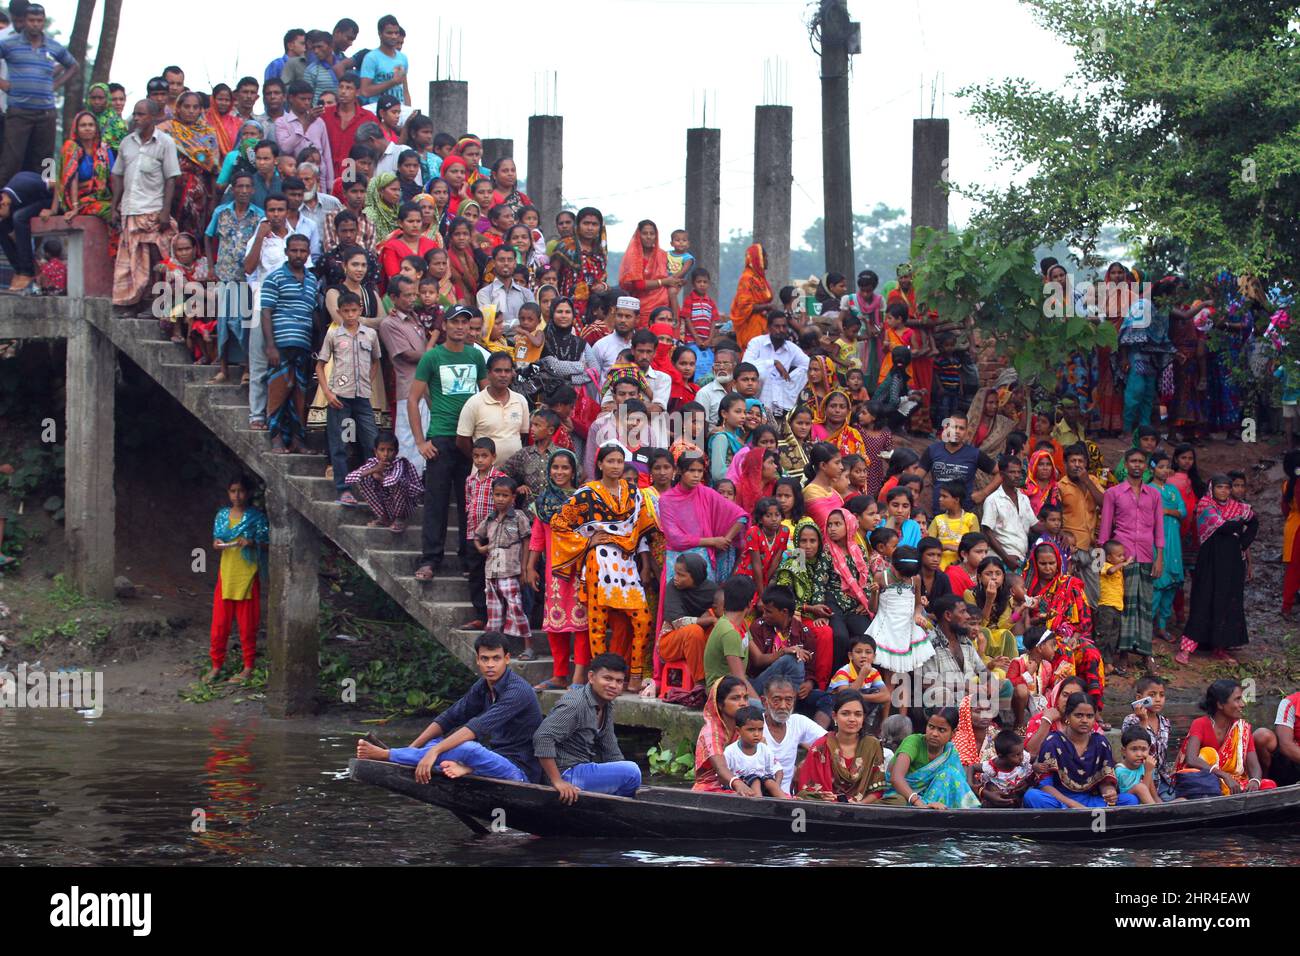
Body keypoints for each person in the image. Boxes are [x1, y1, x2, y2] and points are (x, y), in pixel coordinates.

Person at [355, 632, 543, 783]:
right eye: (485, 659)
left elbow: (476, 727)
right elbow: (450, 717)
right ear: (477, 660)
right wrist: (413, 748)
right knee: (434, 741)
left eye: (496, 658)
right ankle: (448, 763)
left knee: (468, 748)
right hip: (493, 759)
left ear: (507, 659)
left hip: (519, 771)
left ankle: (387, 755)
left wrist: (432, 753)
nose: (490, 665)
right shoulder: (483, 685)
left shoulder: (518, 691)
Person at [550, 443, 658, 690]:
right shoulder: (587, 492)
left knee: (642, 619)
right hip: (598, 561)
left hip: (626, 562)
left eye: (620, 461)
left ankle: (634, 676)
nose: (616, 466)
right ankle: (601, 678)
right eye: (610, 461)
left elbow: (643, 527)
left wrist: (645, 562)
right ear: (599, 464)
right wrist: (587, 540)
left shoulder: (633, 492)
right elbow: (560, 523)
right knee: (598, 623)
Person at [410, 305, 487, 580]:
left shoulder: (476, 356)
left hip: (469, 440)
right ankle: (430, 559)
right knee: (436, 502)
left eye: (465, 322)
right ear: (445, 325)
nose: (460, 327)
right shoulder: (432, 357)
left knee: (470, 502)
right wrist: (420, 441)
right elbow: (412, 399)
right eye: (455, 322)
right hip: (441, 436)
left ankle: (468, 560)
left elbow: (485, 394)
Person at [533, 653, 643, 800]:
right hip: (566, 773)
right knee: (631, 771)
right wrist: (558, 781)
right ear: (591, 677)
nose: (613, 686)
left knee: (628, 772)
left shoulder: (606, 705)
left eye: (619, 681)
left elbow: (610, 749)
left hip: (583, 768)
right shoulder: (575, 704)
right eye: (607, 678)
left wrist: (624, 775)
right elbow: (542, 737)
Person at [1177, 475, 1257, 665]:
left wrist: (1243, 542)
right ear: (1212, 488)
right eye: (1220, 487)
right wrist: (1237, 526)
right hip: (1210, 561)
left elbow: (1253, 522)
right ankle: (1186, 649)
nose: (1224, 491)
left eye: (1227, 488)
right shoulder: (1205, 505)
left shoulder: (1239, 507)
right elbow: (1222, 527)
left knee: (1227, 601)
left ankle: (1219, 648)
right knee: (1203, 599)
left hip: (1232, 562)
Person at [526, 448, 589, 690]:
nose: (559, 472)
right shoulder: (542, 503)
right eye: (555, 467)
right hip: (553, 570)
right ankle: (559, 674)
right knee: (555, 622)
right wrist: (531, 567)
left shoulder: (583, 500)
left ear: (573, 471)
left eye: (565, 468)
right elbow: (537, 538)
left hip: (579, 568)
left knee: (581, 623)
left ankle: (580, 676)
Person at [110, 100, 180, 308]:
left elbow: (171, 178)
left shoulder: (165, 142)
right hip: (130, 209)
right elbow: (117, 175)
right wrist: (115, 206)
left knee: (157, 262)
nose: (137, 118)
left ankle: (157, 305)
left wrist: (165, 211)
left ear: (153, 117)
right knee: (132, 264)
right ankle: (133, 304)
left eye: (141, 114)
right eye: (135, 114)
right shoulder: (126, 142)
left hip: (153, 210)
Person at [0, 4, 77, 189]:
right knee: (11, 160)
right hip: (19, 111)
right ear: (25, 22)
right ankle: (4, 205)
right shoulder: (10, 44)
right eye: (32, 20)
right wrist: (5, 85)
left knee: (45, 161)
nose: (35, 24)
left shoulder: (52, 45)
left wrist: (56, 85)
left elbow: (73, 65)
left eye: (39, 21)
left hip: (46, 113)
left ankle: (44, 201)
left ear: (43, 22)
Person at [316, 290, 381, 503]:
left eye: (354, 310)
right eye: (346, 311)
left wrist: (367, 382)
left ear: (360, 310)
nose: (351, 315)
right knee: (341, 443)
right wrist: (327, 392)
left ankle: (375, 487)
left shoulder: (370, 334)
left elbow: (375, 361)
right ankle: (344, 489)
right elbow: (320, 365)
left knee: (371, 440)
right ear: (339, 312)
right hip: (339, 398)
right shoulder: (333, 334)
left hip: (362, 396)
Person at [1022, 692, 1139, 809]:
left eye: (1089, 716)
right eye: (1078, 715)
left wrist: (1109, 792)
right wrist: (1073, 805)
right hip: (1061, 801)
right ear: (1067, 716)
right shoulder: (1053, 741)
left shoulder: (1100, 743)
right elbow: (1045, 786)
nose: (1084, 720)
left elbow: (1105, 781)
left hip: (1090, 801)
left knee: (1130, 800)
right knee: (1032, 796)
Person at [206, 474, 269, 684]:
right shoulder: (222, 515)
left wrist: (252, 542)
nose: (237, 496)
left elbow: (266, 542)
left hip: (248, 574)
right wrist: (217, 543)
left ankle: (248, 667)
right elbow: (218, 538)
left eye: (241, 491)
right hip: (227, 574)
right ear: (228, 493)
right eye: (233, 491)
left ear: (248, 493)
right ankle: (216, 666)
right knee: (219, 624)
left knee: (247, 625)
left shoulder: (256, 517)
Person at [260, 234, 318, 453]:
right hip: (281, 344)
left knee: (300, 393)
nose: (298, 255)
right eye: (294, 250)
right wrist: (271, 346)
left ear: (308, 253)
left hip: (303, 345)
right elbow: (266, 312)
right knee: (278, 390)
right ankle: (275, 438)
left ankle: (297, 439)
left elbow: (313, 314)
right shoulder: (274, 278)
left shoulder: (312, 281)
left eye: (303, 251)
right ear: (286, 252)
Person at [1173, 679, 1276, 797]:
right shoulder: (1200, 724)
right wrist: (1224, 775)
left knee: (1268, 785)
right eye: (1237, 699)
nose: (1243, 704)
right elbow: (1191, 759)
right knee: (1209, 787)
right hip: (1208, 781)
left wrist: (1255, 781)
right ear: (1220, 704)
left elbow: (1254, 765)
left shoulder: (1243, 729)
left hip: (1235, 783)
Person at [880, 707, 980, 808]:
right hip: (905, 795)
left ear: (953, 733)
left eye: (942, 730)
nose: (934, 734)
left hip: (933, 800)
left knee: (950, 774)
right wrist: (920, 803)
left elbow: (958, 784)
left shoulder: (950, 752)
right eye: (931, 727)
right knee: (899, 801)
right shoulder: (913, 742)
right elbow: (896, 778)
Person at [475, 476, 533, 646]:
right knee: (494, 610)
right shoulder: (490, 518)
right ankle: (494, 647)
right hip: (491, 572)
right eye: (497, 495)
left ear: (513, 497)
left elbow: (527, 541)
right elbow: (477, 535)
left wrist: (524, 569)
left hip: (510, 571)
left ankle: (528, 645)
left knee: (516, 607)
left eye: (505, 495)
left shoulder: (518, 517)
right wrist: (480, 548)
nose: (500, 499)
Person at [760, 676, 830, 796]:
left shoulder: (798, 722)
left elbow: (829, 741)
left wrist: (807, 762)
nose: (783, 706)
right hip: (758, 794)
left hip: (788, 797)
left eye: (789, 700)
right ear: (764, 701)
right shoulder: (754, 725)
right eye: (777, 700)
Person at [344, 431, 422, 533]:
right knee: (363, 479)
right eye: (382, 450)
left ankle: (399, 519)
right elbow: (348, 478)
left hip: (404, 507)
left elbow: (393, 480)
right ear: (376, 451)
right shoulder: (374, 463)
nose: (385, 454)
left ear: (396, 452)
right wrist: (374, 470)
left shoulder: (400, 463)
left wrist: (380, 478)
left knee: (399, 483)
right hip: (386, 504)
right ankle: (384, 517)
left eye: (390, 450)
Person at [742, 310, 809, 418]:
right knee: (765, 372)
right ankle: (764, 412)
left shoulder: (791, 348)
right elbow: (745, 365)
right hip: (757, 393)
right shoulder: (757, 342)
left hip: (782, 395)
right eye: (777, 326)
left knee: (806, 371)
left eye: (784, 326)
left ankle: (785, 406)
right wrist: (773, 363)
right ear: (768, 327)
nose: (781, 330)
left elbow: (808, 365)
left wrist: (790, 380)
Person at [1121, 674, 1175, 800]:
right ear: (1139, 698)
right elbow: (1139, 747)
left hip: (1161, 779)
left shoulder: (1165, 722)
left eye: (1161, 695)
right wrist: (1143, 720)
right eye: (1152, 695)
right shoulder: (1131, 720)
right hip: (1139, 778)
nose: (1158, 699)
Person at [702, 575, 759, 693]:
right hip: (723, 692)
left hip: (739, 684)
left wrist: (784, 652)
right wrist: (763, 709)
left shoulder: (741, 623)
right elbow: (739, 678)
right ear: (749, 604)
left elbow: (759, 658)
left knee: (788, 662)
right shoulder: (730, 632)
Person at [692, 676, 750, 792]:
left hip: (744, 782)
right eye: (735, 698)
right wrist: (737, 784)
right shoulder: (710, 731)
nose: (743, 703)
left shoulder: (747, 727)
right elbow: (720, 768)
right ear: (719, 704)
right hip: (711, 788)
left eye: (745, 698)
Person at [981, 454, 1037, 572]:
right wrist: (1006, 558)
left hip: (1020, 560)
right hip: (1000, 561)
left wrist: (1059, 531)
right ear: (1002, 475)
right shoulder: (993, 500)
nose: (1017, 476)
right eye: (1012, 472)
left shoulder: (1024, 498)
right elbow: (987, 532)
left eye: (1019, 472)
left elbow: (1035, 525)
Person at [0, 168, 51, 293]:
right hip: (31, 205)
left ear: (4, 203)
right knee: (2, 227)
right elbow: (15, 237)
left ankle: (26, 272)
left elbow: (58, 186)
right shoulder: (9, 201)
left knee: (19, 218)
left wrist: (53, 210)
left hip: (52, 201)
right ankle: (19, 270)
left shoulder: (25, 185)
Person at [618, 219, 676, 327]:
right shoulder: (633, 256)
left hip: (664, 306)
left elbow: (673, 279)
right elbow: (638, 284)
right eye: (645, 233)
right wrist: (664, 281)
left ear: (656, 236)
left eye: (652, 234)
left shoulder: (663, 255)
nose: (649, 237)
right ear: (638, 236)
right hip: (642, 306)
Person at [722, 705, 786, 798]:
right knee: (755, 780)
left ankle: (784, 804)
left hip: (763, 787)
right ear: (738, 731)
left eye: (760, 729)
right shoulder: (730, 751)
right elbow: (723, 776)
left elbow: (778, 770)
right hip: (739, 789)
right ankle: (758, 805)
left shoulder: (764, 749)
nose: (757, 734)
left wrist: (776, 786)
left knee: (769, 781)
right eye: (751, 730)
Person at [730, 243, 774, 350]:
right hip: (750, 325)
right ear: (758, 258)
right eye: (765, 257)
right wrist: (768, 307)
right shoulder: (747, 278)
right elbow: (744, 306)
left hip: (763, 324)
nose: (767, 260)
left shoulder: (759, 278)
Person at [1254, 689, 1300, 787]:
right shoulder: (1290, 703)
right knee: (1262, 736)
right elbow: (1286, 745)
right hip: (1293, 762)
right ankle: (1265, 784)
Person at [977, 729, 1034, 807]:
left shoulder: (1023, 757)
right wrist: (971, 783)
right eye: (1017, 755)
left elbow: (1035, 759)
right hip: (998, 797)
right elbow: (972, 768)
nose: (1021, 757)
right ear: (1001, 756)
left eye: (1021, 752)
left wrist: (1035, 767)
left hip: (1018, 793)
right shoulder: (991, 767)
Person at [1093, 540, 1129, 660]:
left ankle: (1108, 662)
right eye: (1119, 556)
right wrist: (1123, 564)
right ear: (1108, 557)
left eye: (1123, 555)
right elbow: (1110, 571)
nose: (1123, 558)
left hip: (1117, 606)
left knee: (1113, 636)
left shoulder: (1118, 569)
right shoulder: (1104, 565)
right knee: (1103, 635)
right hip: (1106, 606)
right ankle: (1097, 661)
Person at [1115, 725, 1161, 804]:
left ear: (1149, 749)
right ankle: (1158, 814)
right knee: (1140, 788)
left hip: (1147, 804)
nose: (1139, 754)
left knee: (1182, 800)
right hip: (1128, 803)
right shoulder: (1120, 770)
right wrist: (1148, 772)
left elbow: (1154, 795)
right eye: (1134, 749)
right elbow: (1142, 793)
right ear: (1123, 751)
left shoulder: (1146, 766)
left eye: (1144, 749)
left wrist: (1164, 806)